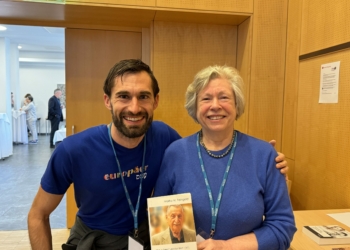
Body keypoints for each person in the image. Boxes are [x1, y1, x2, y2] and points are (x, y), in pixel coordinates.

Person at [27, 59, 288, 250]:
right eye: (123, 96)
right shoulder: (73, 149)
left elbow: (207, 152)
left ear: (156, 101)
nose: (134, 107)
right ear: (107, 100)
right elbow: (37, 215)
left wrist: (263, 160)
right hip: (94, 239)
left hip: (143, 238)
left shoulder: (167, 140)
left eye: (143, 96)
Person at [153, 65, 297, 250]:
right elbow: (161, 224)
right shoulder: (175, 153)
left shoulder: (264, 155)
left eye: (224, 97)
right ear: (195, 107)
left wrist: (226, 246)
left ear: (237, 105)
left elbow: (282, 226)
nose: (215, 106)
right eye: (206, 98)